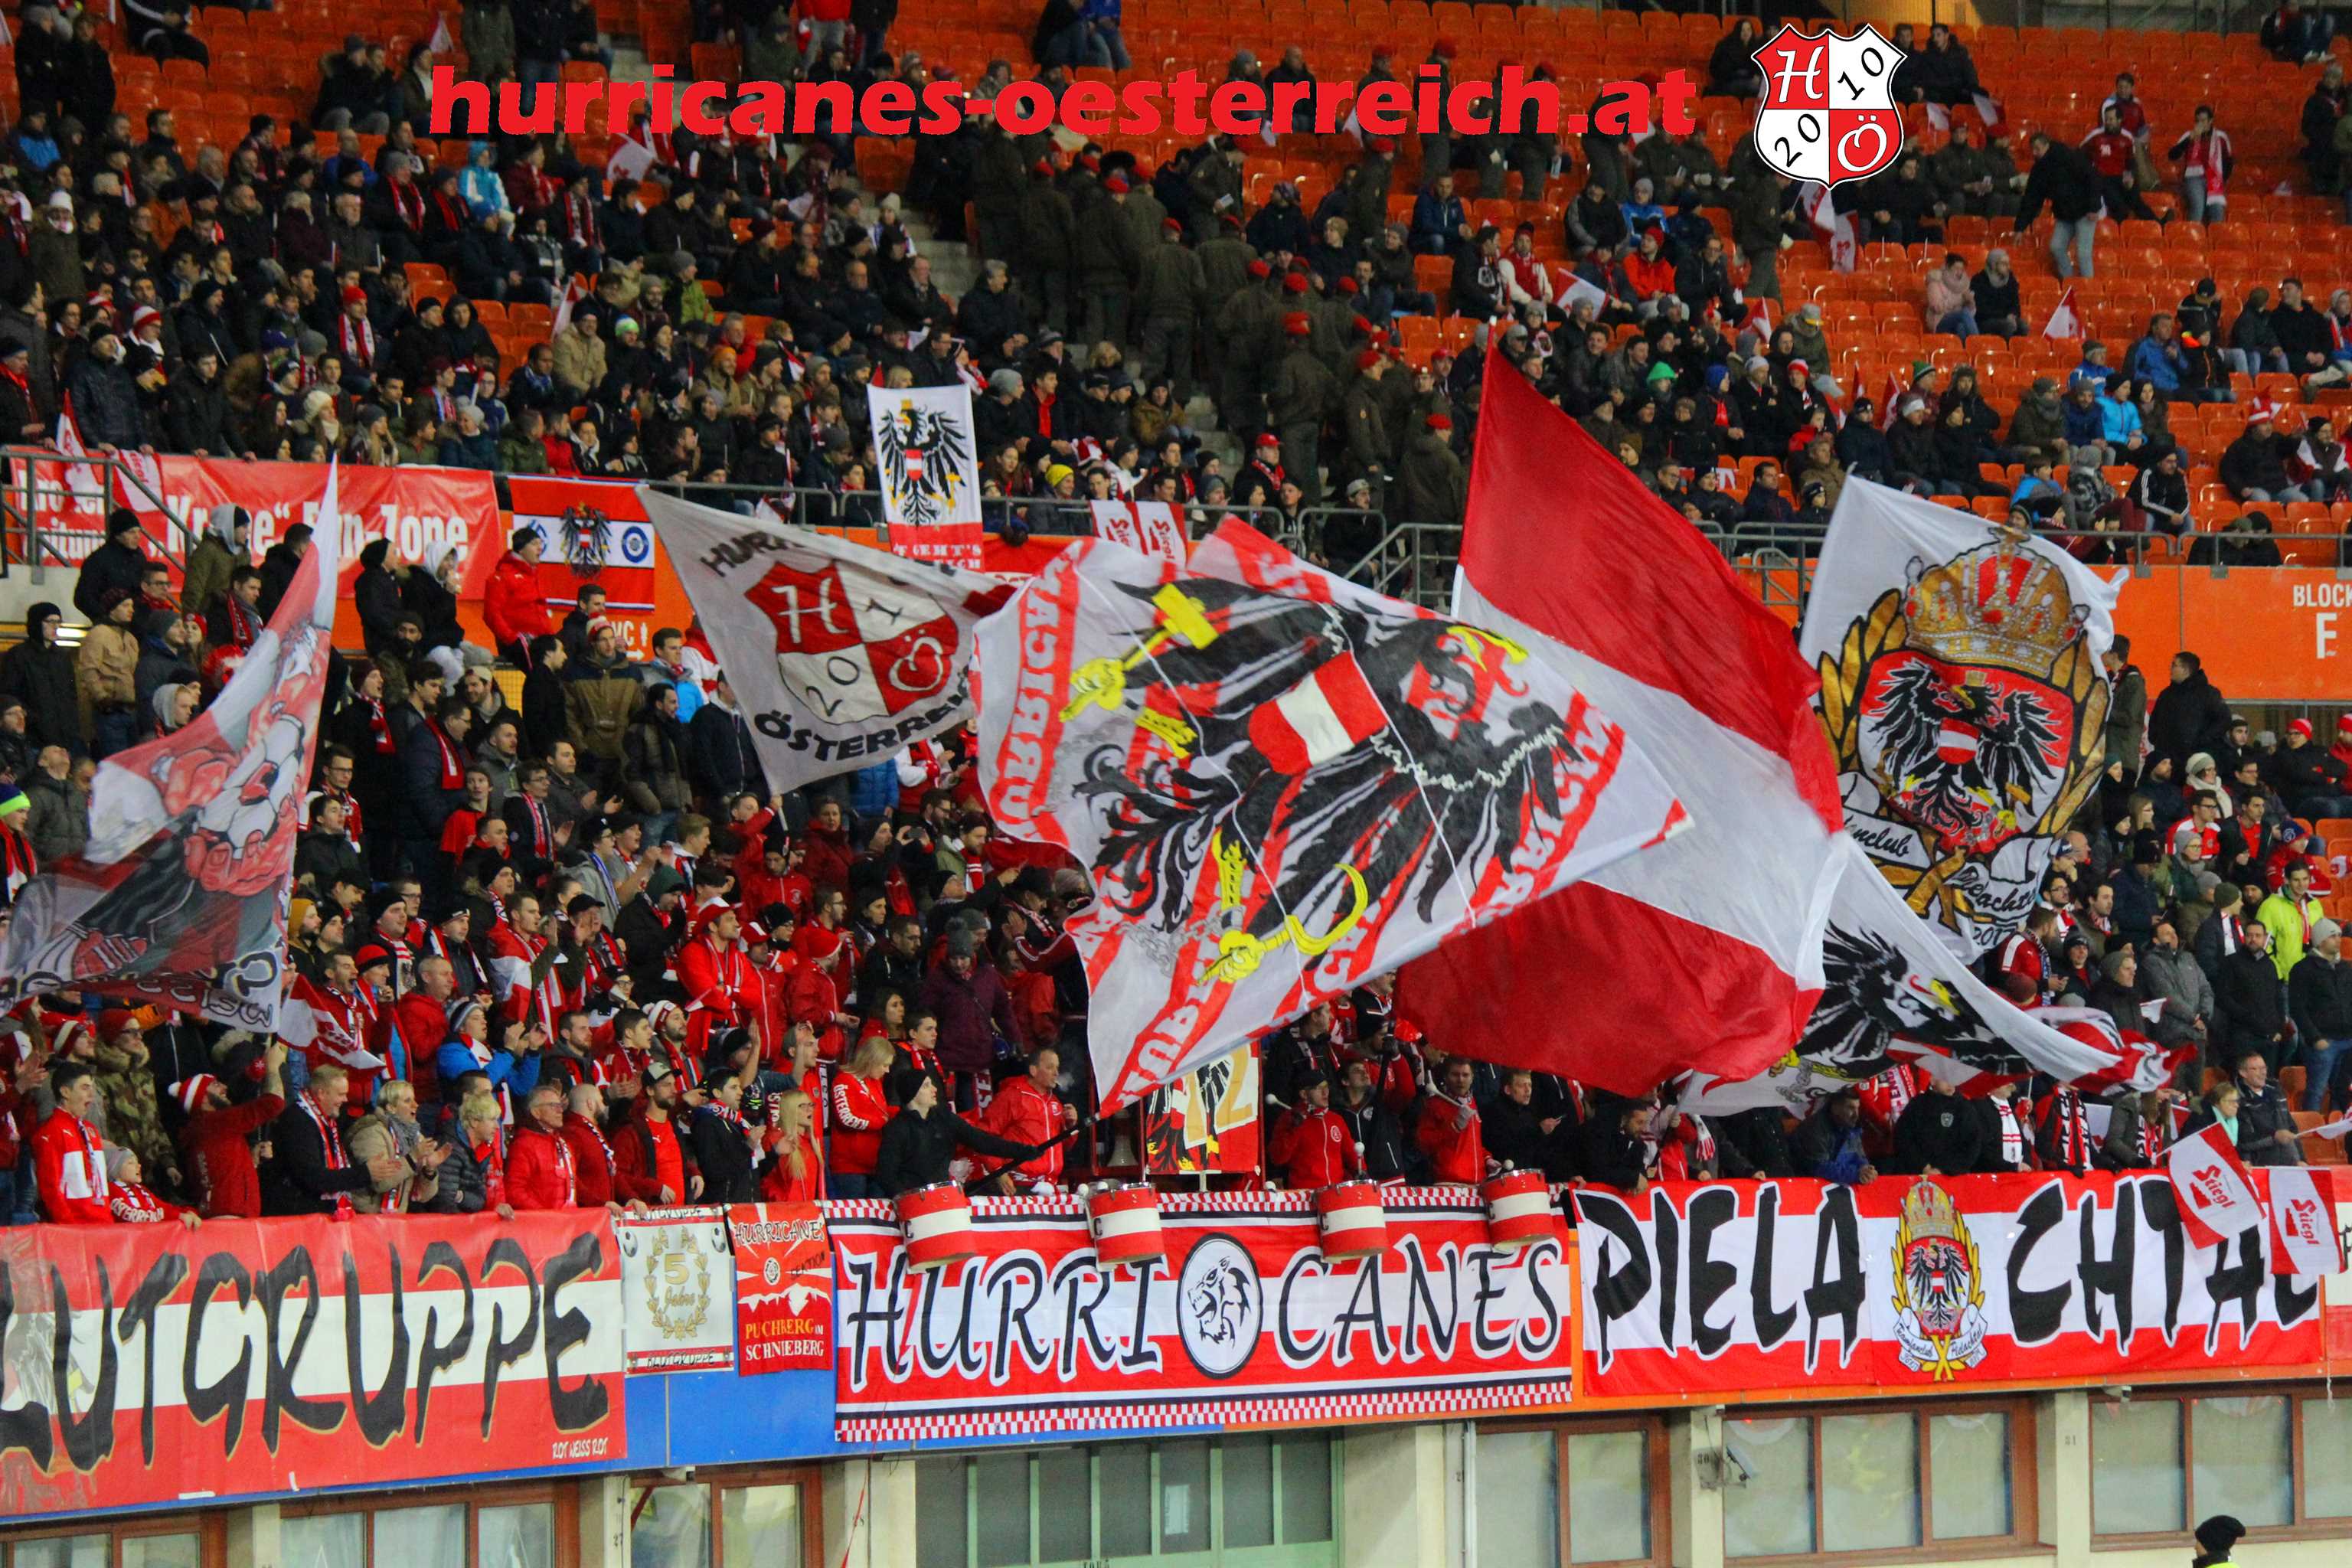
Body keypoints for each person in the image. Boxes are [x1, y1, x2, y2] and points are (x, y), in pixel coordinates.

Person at [871, 1067, 1035, 1196]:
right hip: (914, 1203)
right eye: (927, 1086)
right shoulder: (897, 1128)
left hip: (943, 1197)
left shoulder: (945, 1119)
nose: (934, 1089)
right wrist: (907, 1199)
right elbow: (886, 1174)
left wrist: (1022, 1151)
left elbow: (981, 1141)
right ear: (912, 1093)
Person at [2288, 919, 2352, 1109]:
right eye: (2333, 936)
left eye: (2339, 935)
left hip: (2348, 1039)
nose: (2338, 939)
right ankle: (2312, 1126)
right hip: (2323, 1042)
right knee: (2317, 1091)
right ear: (2320, 940)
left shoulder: (2345, 968)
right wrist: (2315, 1037)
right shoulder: (2302, 969)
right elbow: (2297, 1008)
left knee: (2343, 1091)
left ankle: (2339, 1126)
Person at [1270, 1070, 1364, 1189]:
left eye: (1326, 1087)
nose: (1325, 1093)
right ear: (1304, 1094)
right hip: (1305, 1194)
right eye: (1319, 1088)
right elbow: (1278, 1158)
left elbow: (1351, 1152)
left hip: (1336, 1192)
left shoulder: (1336, 1119)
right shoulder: (1290, 1119)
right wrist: (1294, 1129)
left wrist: (1361, 1171)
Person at [2233, 1050, 2305, 1166]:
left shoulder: (2277, 1092)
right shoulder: (2236, 1100)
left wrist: (2300, 1160)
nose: (2262, 1073)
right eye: (2255, 1069)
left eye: (2264, 1068)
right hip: (2258, 1167)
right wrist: (2274, 1137)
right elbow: (2243, 1142)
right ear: (2243, 1073)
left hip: (2288, 1164)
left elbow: (2291, 1128)